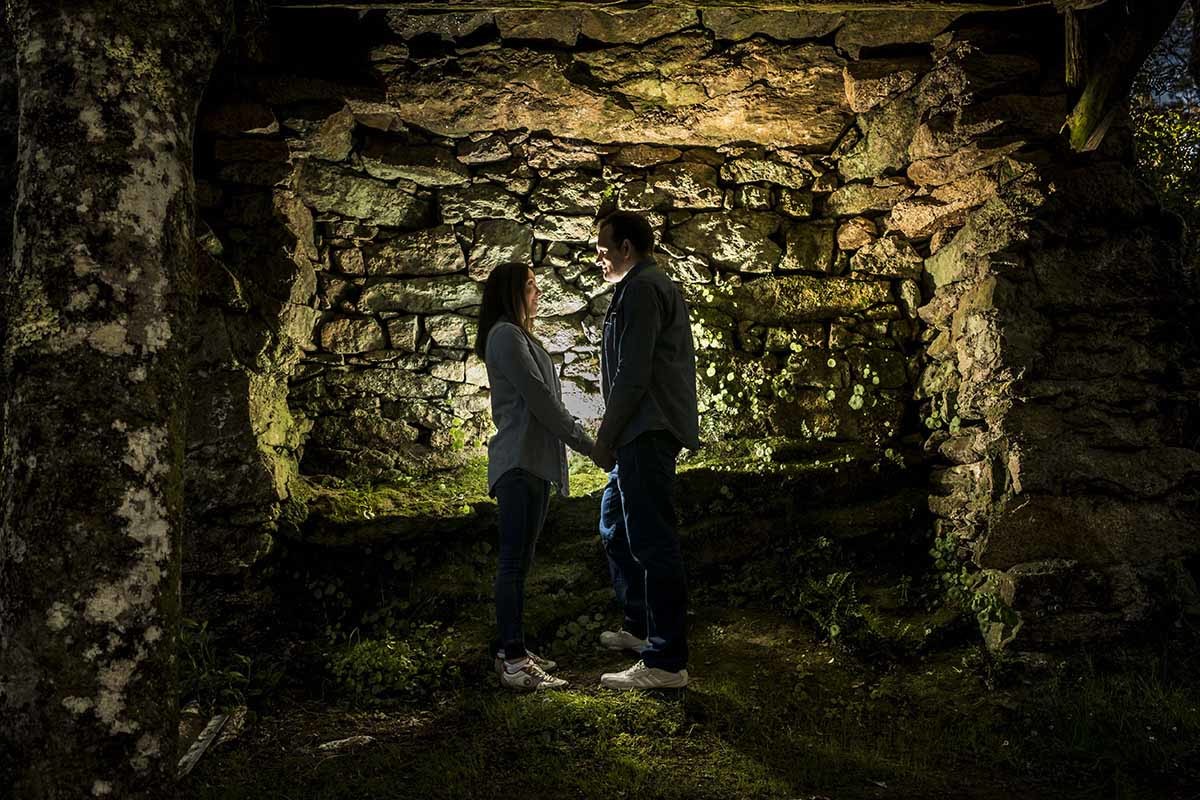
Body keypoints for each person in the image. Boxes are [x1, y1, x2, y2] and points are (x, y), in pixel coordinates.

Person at [590, 211, 700, 690]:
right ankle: (641, 628)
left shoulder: (642, 289)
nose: (598, 258)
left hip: (646, 431)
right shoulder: (636, 288)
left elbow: (633, 373)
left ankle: (666, 661)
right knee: (615, 525)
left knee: (653, 541)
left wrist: (605, 436)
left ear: (626, 248)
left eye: (603, 249)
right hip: (638, 431)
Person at [475, 261, 595, 692]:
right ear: (511, 292)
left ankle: (512, 648)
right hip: (519, 463)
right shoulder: (506, 336)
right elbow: (540, 399)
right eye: (530, 286)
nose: (538, 293)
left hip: (532, 464)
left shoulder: (518, 336)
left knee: (520, 563)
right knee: (513, 563)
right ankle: (514, 661)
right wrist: (587, 443)